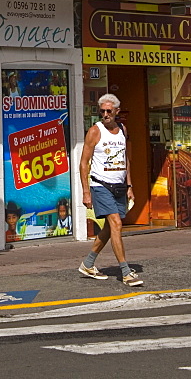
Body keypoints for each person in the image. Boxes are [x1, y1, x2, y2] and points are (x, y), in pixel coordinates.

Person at [78, 92, 143, 286]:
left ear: (117, 111)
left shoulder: (122, 129)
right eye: (102, 111)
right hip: (101, 185)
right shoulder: (95, 131)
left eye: (109, 111)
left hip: (119, 186)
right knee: (116, 223)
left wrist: (130, 185)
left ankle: (88, 263)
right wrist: (86, 191)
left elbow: (125, 160)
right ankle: (125, 271)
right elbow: (84, 163)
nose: (105, 114)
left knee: (109, 227)